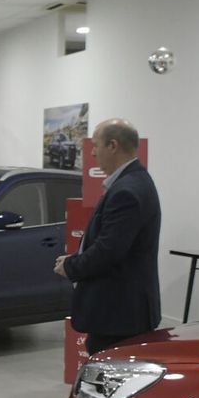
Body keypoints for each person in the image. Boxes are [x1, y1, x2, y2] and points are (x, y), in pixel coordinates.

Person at [54, 119, 162, 355]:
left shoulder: (127, 191)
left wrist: (72, 265)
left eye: (95, 146)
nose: (92, 153)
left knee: (109, 382)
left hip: (118, 315)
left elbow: (109, 250)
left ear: (113, 145)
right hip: (122, 312)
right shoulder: (134, 182)